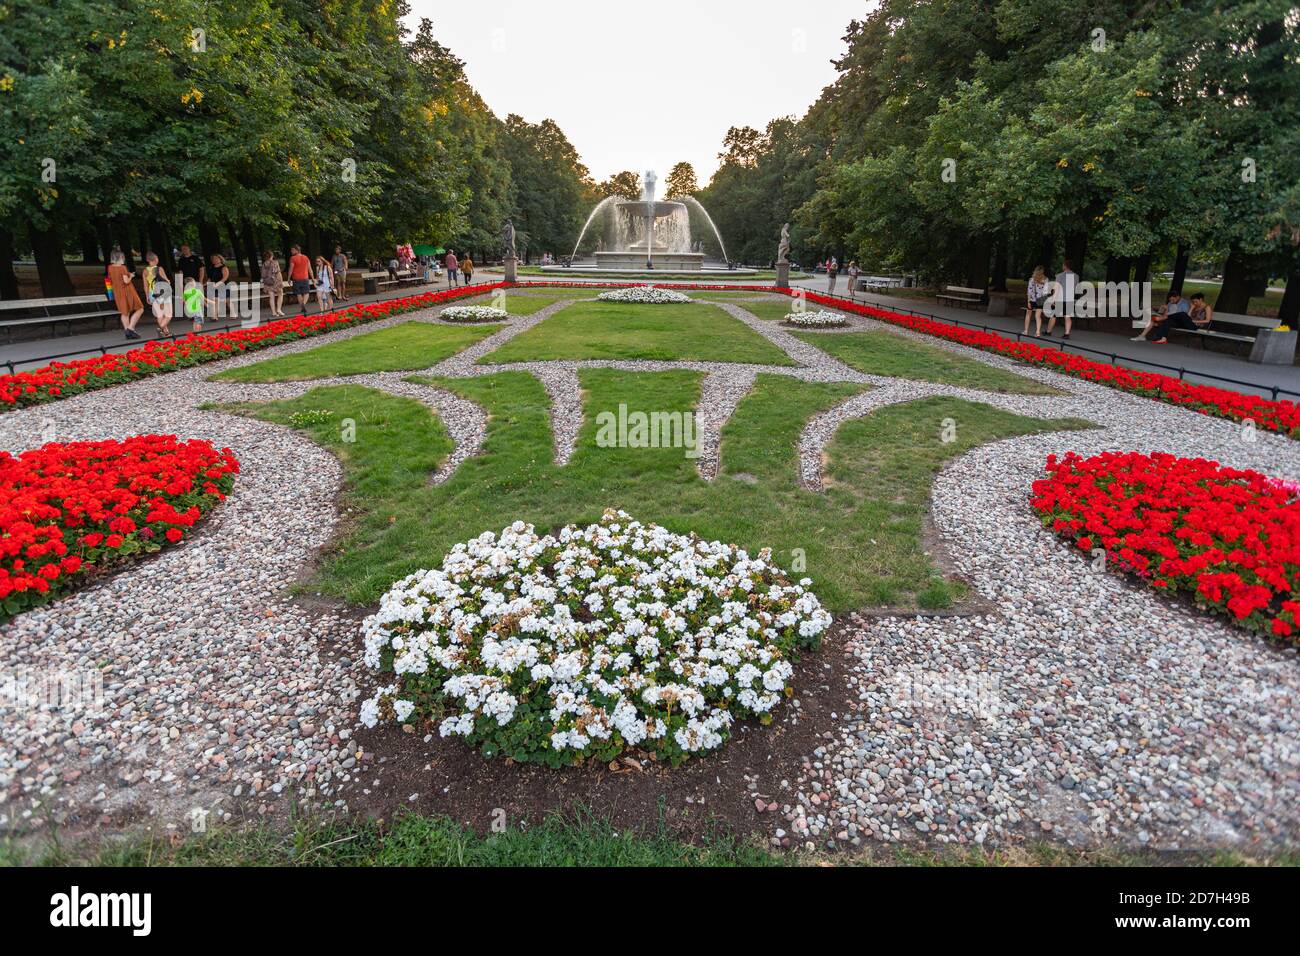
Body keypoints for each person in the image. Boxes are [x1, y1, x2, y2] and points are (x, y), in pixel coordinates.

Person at [1137, 291, 1204, 343]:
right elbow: (1188, 317)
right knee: (1168, 321)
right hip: (1181, 322)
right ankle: (1162, 338)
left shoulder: (1205, 307)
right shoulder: (1194, 307)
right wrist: (1192, 308)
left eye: (1196, 301)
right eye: (1193, 302)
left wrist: (1193, 318)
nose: (1194, 303)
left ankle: (1161, 322)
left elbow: (1186, 317)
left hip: (1193, 325)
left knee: (1181, 314)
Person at [107, 250, 145, 340]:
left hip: (117, 291)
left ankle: (128, 333)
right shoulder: (122, 268)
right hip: (127, 291)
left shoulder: (110, 267)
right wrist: (131, 276)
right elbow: (126, 281)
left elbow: (110, 279)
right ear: (119, 258)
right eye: (122, 257)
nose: (123, 259)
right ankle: (130, 329)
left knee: (125, 312)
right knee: (140, 308)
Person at [143, 251, 173, 338]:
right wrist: (169, 281)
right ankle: (160, 328)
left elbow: (145, 285)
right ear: (155, 259)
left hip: (152, 294)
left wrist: (147, 296)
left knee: (160, 314)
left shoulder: (145, 271)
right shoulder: (159, 269)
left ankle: (165, 332)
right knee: (168, 314)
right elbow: (166, 281)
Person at [1046, 259, 1078, 339]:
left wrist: (1053, 299)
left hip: (1060, 298)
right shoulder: (1076, 276)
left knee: (1053, 316)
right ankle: (1067, 334)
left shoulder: (1060, 275)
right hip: (1070, 299)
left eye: (1063, 265)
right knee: (1067, 316)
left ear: (1065, 266)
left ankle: (1048, 331)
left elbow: (1056, 288)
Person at [1025, 265, 1050, 337]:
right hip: (1041, 300)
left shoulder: (1032, 279)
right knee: (1038, 316)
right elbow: (1046, 292)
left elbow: (1029, 291)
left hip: (1032, 299)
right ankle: (1038, 332)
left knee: (1028, 314)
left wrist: (1028, 301)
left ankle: (1026, 331)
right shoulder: (1046, 279)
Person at [205, 253, 230, 324]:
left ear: (220, 259)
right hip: (213, 287)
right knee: (215, 300)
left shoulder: (224, 267)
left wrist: (218, 284)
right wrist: (206, 284)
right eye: (213, 259)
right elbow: (210, 278)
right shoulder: (211, 268)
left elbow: (225, 277)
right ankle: (214, 316)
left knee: (227, 301)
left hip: (223, 286)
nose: (214, 260)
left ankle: (215, 315)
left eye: (216, 258)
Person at [287, 244, 312, 314]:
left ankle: (302, 305)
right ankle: (303, 304)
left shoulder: (293, 258)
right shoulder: (306, 257)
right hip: (305, 278)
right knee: (306, 293)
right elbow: (310, 269)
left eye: (292, 250)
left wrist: (288, 278)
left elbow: (291, 269)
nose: (291, 251)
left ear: (297, 250)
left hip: (296, 279)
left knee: (298, 293)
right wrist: (312, 277)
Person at [261, 250, 284, 317]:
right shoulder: (275, 262)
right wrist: (281, 282)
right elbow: (278, 272)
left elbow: (263, 274)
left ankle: (274, 312)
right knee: (280, 294)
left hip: (267, 282)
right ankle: (279, 309)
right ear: (271, 256)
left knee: (271, 297)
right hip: (276, 281)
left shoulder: (264, 264)